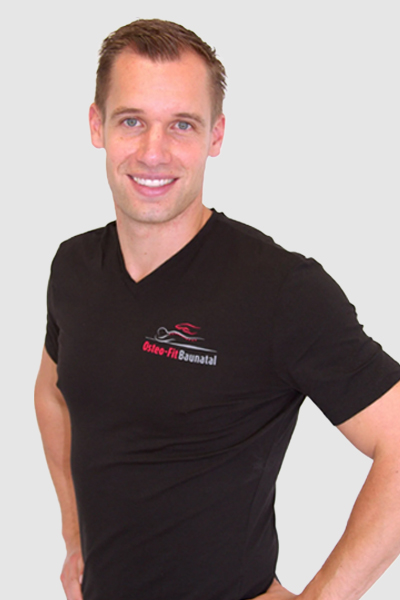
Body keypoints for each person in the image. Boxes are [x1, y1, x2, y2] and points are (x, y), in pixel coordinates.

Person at [34, 18, 400, 600]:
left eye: (182, 124)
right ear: (97, 124)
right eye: (132, 121)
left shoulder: (280, 291)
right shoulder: (74, 267)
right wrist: (74, 533)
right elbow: (53, 392)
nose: (154, 152)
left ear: (216, 135)